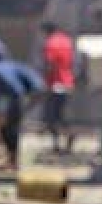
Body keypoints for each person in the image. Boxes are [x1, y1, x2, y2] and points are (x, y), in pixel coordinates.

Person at [40, 21, 74, 153]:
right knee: (61, 114)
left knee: (51, 116)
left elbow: (50, 64)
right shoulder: (66, 40)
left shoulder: (51, 43)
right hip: (67, 81)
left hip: (55, 83)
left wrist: (47, 82)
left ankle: (57, 143)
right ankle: (68, 135)